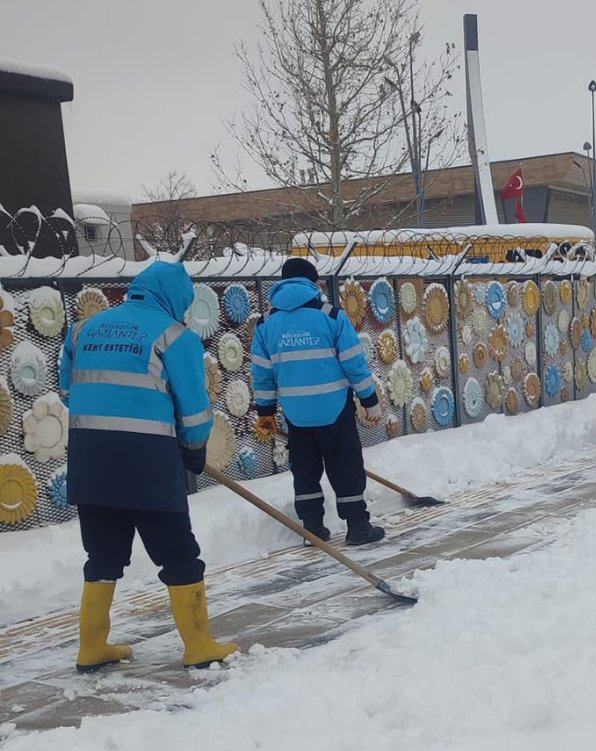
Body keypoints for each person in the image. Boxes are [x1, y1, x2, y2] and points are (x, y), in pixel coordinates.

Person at [60, 260, 238, 671]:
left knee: (102, 556)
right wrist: (192, 450)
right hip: (149, 463)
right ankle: (198, 645)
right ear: (175, 299)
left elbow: (71, 389)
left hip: (90, 458)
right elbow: (194, 415)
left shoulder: (83, 329)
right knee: (178, 554)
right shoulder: (176, 337)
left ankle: (92, 648)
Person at [251, 258, 386, 546]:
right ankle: (357, 527)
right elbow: (354, 365)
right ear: (312, 284)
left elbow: (262, 375)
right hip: (334, 409)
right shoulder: (332, 316)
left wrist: (265, 412)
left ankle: (312, 528)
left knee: (305, 471)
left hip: (296, 414)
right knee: (345, 466)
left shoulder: (265, 324)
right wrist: (369, 399)